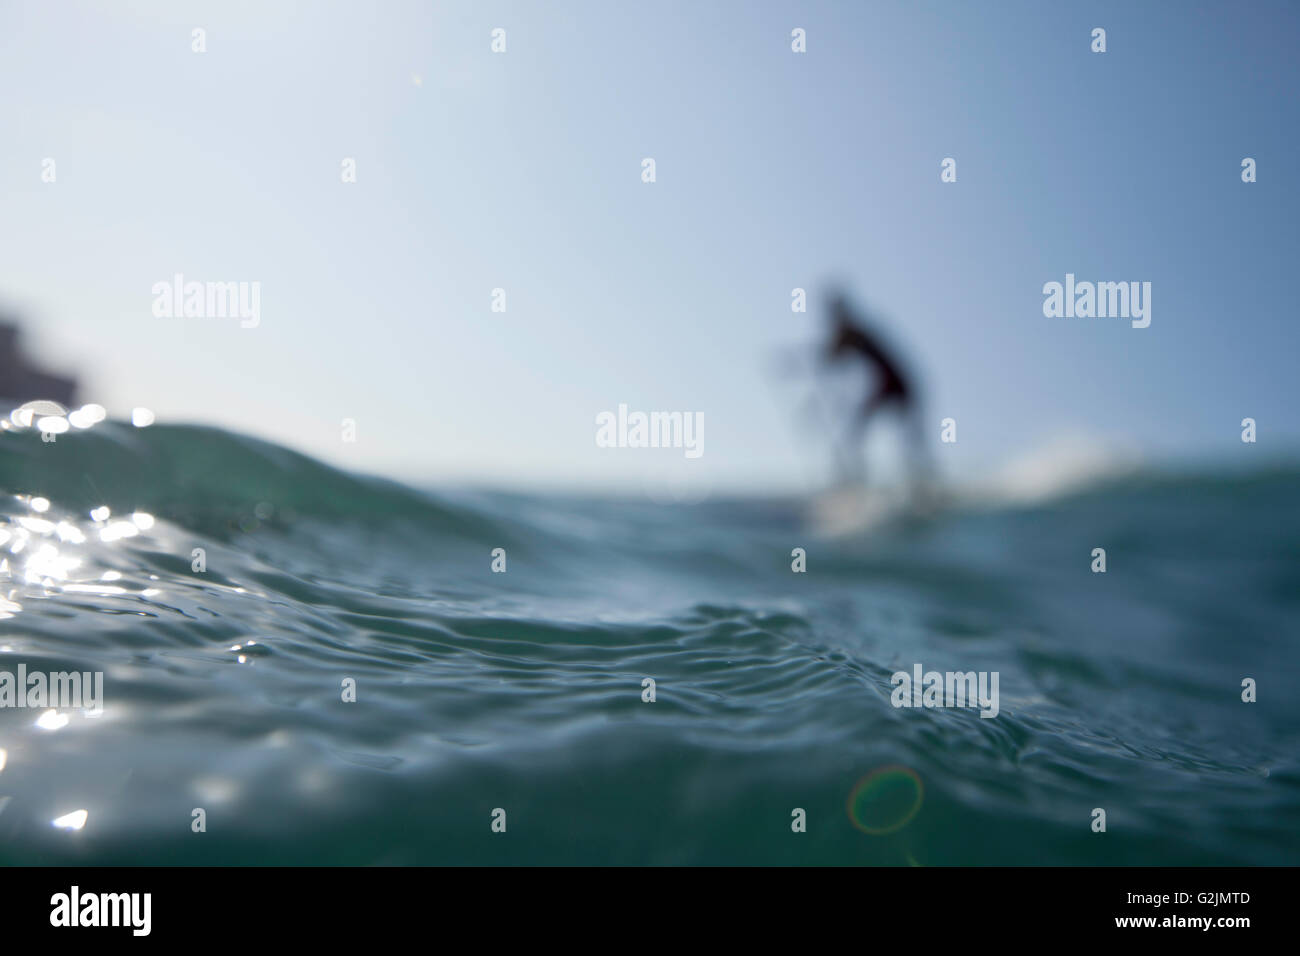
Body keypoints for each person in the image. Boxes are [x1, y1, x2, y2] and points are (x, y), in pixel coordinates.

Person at [822, 293, 928, 490]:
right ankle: (862, 481)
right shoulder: (853, 331)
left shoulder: (854, 330)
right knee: (862, 432)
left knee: (908, 439)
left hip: (896, 383)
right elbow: (835, 355)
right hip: (890, 384)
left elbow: (834, 354)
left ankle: (918, 483)